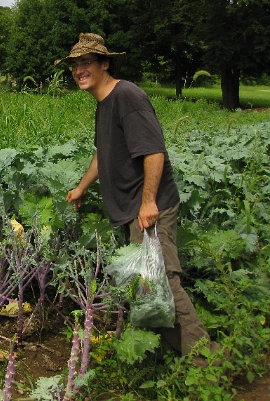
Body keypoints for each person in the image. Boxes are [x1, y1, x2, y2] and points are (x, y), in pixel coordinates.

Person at [60, 33, 214, 360]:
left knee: (164, 285)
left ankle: (209, 363)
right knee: (147, 291)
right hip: (133, 210)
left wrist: (148, 202)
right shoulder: (105, 104)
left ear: (105, 64)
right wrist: (82, 187)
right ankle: (181, 355)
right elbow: (103, 154)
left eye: (85, 62)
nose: (78, 70)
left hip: (147, 208)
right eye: (75, 65)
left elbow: (154, 151)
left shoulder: (127, 96)